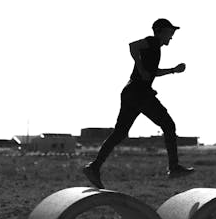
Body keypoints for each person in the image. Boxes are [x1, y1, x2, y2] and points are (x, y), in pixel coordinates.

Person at [83, 18, 194, 189]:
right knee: (168, 125)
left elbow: (152, 72)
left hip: (130, 92)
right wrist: (140, 67)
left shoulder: (155, 48)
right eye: (170, 32)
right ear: (161, 31)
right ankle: (174, 167)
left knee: (120, 133)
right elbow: (132, 46)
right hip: (139, 93)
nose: (172, 36)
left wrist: (173, 70)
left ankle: (94, 167)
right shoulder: (152, 41)